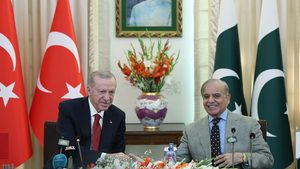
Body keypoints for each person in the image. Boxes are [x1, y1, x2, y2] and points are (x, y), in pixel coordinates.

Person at [176, 79, 274, 168]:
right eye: (206, 96)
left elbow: (267, 159)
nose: (210, 100)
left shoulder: (249, 125)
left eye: (216, 96)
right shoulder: (191, 130)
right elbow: (178, 162)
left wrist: (242, 157)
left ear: (228, 98)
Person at [56, 71, 129, 167]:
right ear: (89, 90)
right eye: (102, 91)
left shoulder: (118, 116)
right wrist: (105, 156)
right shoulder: (69, 109)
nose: (107, 98)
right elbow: (68, 149)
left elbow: (118, 154)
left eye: (111, 92)